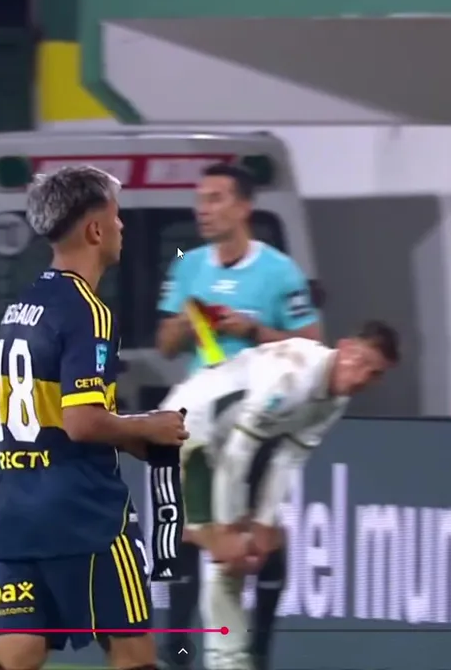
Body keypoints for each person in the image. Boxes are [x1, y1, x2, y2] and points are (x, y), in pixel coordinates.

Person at [0, 166, 188, 670]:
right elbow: (82, 422)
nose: (122, 226)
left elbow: (48, 411)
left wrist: (129, 436)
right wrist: (146, 426)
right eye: (116, 216)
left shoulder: (21, 307)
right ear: (94, 229)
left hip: (18, 506)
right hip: (84, 512)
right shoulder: (88, 310)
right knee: (133, 650)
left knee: (18, 649)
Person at [154, 163, 321, 667]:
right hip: (199, 416)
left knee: (255, 534)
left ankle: (259, 646)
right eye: (200, 199)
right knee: (188, 527)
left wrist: (253, 331)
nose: (203, 209)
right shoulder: (189, 267)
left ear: (244, 207)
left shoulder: (279, 272)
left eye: (216, 198)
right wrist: (184, 325)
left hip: (257, 418)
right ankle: (177, 646)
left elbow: (313, 346)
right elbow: (164, 345)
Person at [159, 323, 398, 670]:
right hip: (186, 431)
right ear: (344, 347)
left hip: (221, 442)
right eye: (360, 362)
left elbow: (288, 459)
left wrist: (263, 523)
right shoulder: (292, 378)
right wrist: (228, 525)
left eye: (374, 373)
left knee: (242, 550)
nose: (362, 377)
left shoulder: (334, 401)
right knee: (228, 551)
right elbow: (239, 452)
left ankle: (227, 658)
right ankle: (222, 660)